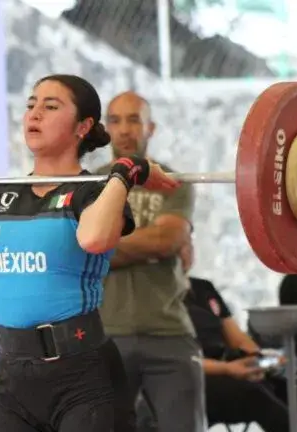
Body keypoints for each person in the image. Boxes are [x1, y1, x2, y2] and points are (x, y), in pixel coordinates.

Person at [0, 74, 179, 432]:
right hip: (13, 376)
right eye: (30, 105)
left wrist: (123, 174)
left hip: (83, 376)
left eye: (50, 106)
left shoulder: (93, 193)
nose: (34, 114)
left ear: (83, 126)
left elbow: (94, 239)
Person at [95, 91, 204, 431]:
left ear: (150, 127)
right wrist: (150, 244)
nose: (125, 130)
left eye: (134, 120)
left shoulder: (174, 183)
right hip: (104, 334)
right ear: (104, 129)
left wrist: (104, 245)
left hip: (169, 331)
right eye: (115, 121)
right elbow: (80, 250)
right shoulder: (87, 185)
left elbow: (166, 239)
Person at [185, 277, 297, 432]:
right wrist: (227, 368)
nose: (186, 253)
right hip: (195, 376)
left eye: (189, 250)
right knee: (254, 393)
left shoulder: (203, 288)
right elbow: (179, 359)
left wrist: (261, 360)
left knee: (293, 388)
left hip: (230, 366)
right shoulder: (161, 297)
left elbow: (238, 340)